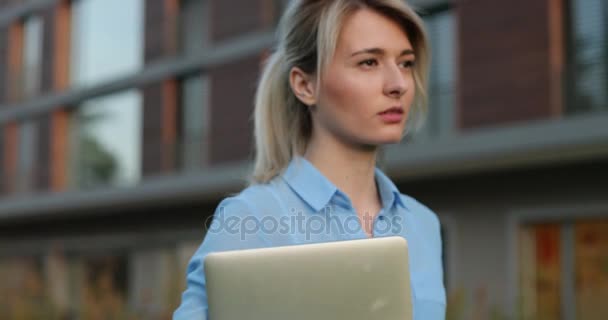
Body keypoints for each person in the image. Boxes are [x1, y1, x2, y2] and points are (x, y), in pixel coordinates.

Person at [173, 0, 445, 319]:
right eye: (369, 62)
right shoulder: (250, 220)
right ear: (305, 85)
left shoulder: (423, 223)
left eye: (406, 63)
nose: (398, 84)